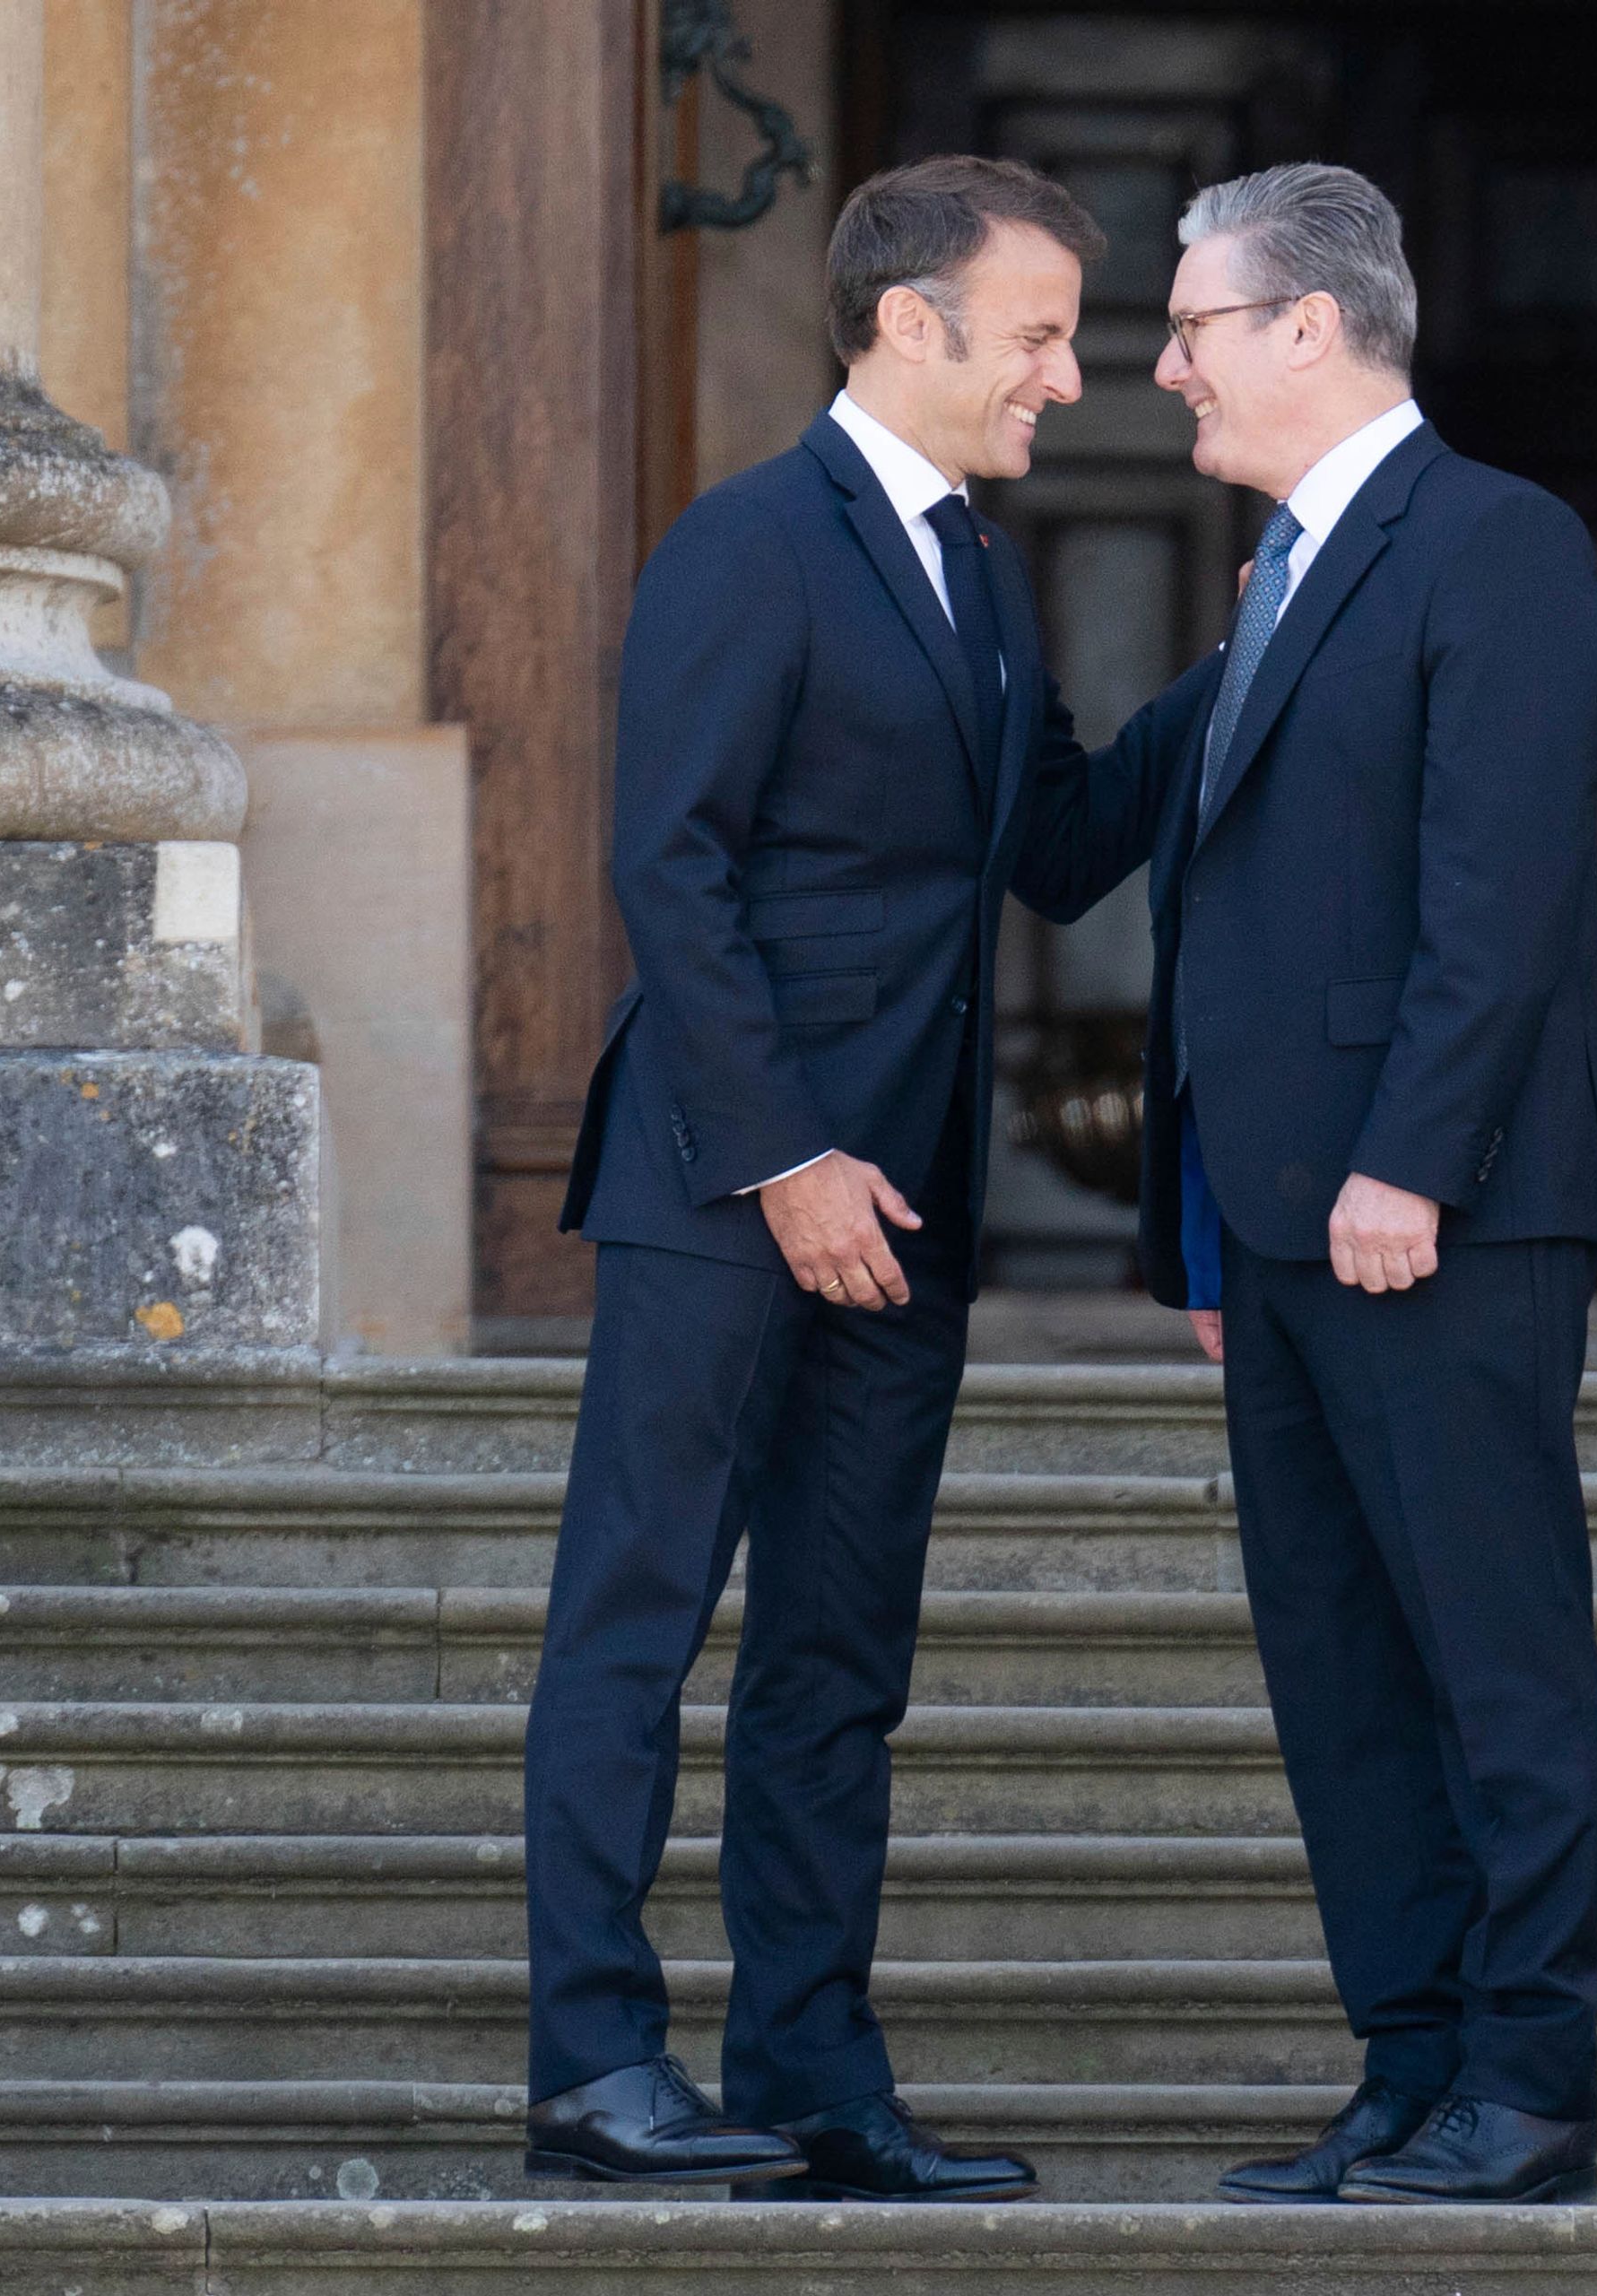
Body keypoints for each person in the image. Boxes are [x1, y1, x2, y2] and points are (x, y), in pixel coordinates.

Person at [1028, 161, 1597, 2205]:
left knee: (1491, 1652)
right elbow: (1111, 833)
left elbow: (1502, 893)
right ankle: (1408, 2065)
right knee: (1340, 1671)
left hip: (1427, 1213)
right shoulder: (1284, 583)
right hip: (1275, 1234)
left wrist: (1411, 1163)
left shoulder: (1500, 544)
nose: (1162, 365)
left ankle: (1528, 2087)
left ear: (1310, 326)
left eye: (1192, 324)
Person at [517, 154, 1115, 2202]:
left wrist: (1276, 646)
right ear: (911, 322)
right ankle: (594, 2064)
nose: (1066, 372)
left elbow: (1054, 842)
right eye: (1035, 329)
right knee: (638, 1614)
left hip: (911, 1208)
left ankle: (809, 2067)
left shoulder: (986, 569)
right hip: (725, 1179)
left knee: (840, 1650)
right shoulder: (749, 541)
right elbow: (668, 864)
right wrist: (786, 1158)